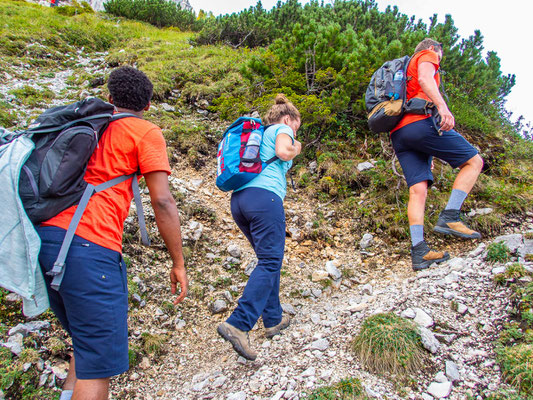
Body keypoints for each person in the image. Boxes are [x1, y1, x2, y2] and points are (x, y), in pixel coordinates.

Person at [36, 66, 188, 400]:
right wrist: (178, 261)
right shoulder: (145, 132)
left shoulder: (88, 125)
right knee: (98, 367)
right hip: (90, 247)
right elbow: (161, 200)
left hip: (46, 241)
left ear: (110, 98)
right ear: (147, 106)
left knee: (86, 346)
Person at [217, 94, 302, 361]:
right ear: (288, 119)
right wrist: (296, 145)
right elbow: (284, 152)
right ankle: (239, 323)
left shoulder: (262, 134)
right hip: (265, 198)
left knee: (269, 261)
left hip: (241, 201)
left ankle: (273, 319)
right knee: (270, 261)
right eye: (296, 127)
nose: (294, 132)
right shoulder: (282, 129)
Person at [390, 38, 484, 271]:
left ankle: (419, 251)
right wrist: (443, 108)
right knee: (474, 161)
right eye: (440, 56)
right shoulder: (427, 55)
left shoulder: (403, 70)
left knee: (418, 189)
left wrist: (428, 155)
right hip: (421, 122)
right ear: (434, 49)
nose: (439, 61)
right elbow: (425, 79)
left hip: (399, 133)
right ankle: (451, 215)